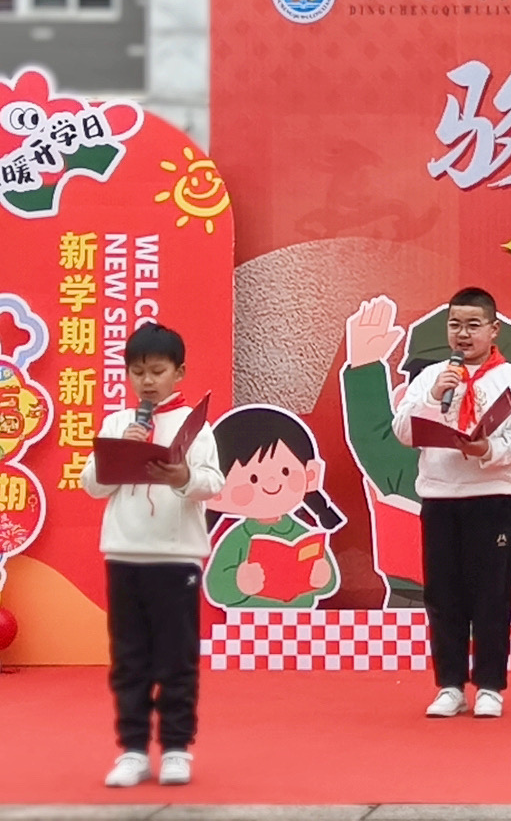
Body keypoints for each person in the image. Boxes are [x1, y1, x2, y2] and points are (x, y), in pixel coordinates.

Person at [81, 322, 224, 788]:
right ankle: (134, 751)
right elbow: (91, 485)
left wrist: (183, 477)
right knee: (129, 657)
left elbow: (213, 484)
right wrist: (123, 449)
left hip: (177, 557)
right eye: (138, 372)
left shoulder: (195, 427)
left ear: (178, 373)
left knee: (175, 656)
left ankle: (177, 748)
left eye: (157, 371)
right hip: (124, 553)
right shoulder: (116, 423)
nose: (147, 381)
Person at [392, 287, 511, 719]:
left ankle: (490, 686)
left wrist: (487, 449)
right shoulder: (430, 377)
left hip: (493, 498)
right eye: (455, 324)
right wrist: (433, 396)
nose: (463, 334)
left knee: (491, 595)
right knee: (443, 595)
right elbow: (403, 432)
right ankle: (450, 686)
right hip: (440, 498)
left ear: (494, 330)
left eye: (474, 325)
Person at [203, 406, 345, 609]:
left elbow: (328, 582)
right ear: (218, 491)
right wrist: (238, 582)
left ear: (310, 475)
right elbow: (215, 587)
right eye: (253, 478)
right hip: (246, 622)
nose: (271, 483)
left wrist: (322, 576)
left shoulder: (302, 534)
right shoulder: (239, 538)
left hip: (302, 620)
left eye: (285, 471)